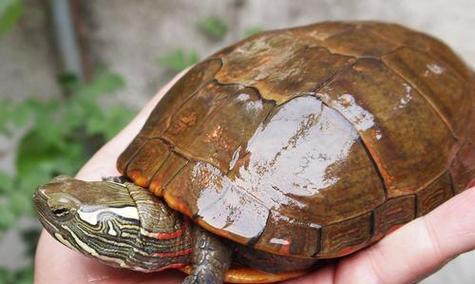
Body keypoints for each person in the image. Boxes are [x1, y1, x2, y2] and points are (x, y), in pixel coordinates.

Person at [34, 73, 475, 284]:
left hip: (399, 96)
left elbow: (213, 238)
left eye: (64, 214)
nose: (47, 205)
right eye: (64, 211)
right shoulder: (170, 230)